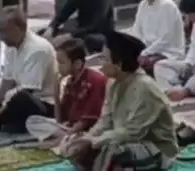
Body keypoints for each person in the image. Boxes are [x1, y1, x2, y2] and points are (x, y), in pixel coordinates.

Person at [61, 31, 179, 171]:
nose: (100, 64)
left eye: (104, 59)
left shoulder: (145, 88)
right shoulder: (114, 84)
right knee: (78, 146)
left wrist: (94, 141)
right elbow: (105, 120)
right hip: (122, 139)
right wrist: (88, 138)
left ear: (119, 64)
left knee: (113, 151)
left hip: (157, 150)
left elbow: (132, 133)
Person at [0, 9, 58, 133]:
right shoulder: (11, 47)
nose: (1, 37)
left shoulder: (38, 49)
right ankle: (3, 120)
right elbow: (6, 85)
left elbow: (28, 91)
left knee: (21, 98)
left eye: (4, 31)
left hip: (42, 103)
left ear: (18, 29)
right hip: (13, 101)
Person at [24, 38, 108, 144]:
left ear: (77, 64)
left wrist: (65, 135)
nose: (58, 67)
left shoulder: (94, 80)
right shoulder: (70, 81)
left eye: (62, 63)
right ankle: (66, 138)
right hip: (69, 127)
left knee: (71, 137)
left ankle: (65, 139)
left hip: (88, 130)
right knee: (32, 121)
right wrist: (56, 93)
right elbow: (60, 119)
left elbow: (87, 120)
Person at [132, 0, 185, 73]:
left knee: (138, 65)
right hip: (147, 50)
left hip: (167, 52)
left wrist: (145, 52)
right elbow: (137, 31)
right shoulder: (142, 5)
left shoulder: (167, 6)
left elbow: (165, 39)